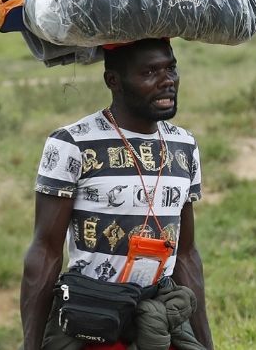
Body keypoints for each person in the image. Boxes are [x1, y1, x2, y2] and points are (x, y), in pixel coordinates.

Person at [20, 39, 213, 350]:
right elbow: (45, 251)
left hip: (160, 320)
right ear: (114, 81)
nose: (167, 81)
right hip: (93, 320)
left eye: (171, 68)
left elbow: (187, 253)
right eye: (150, 72)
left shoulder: (184, 146)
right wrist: (32, 344)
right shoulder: (73, 143)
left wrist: (205, 343)